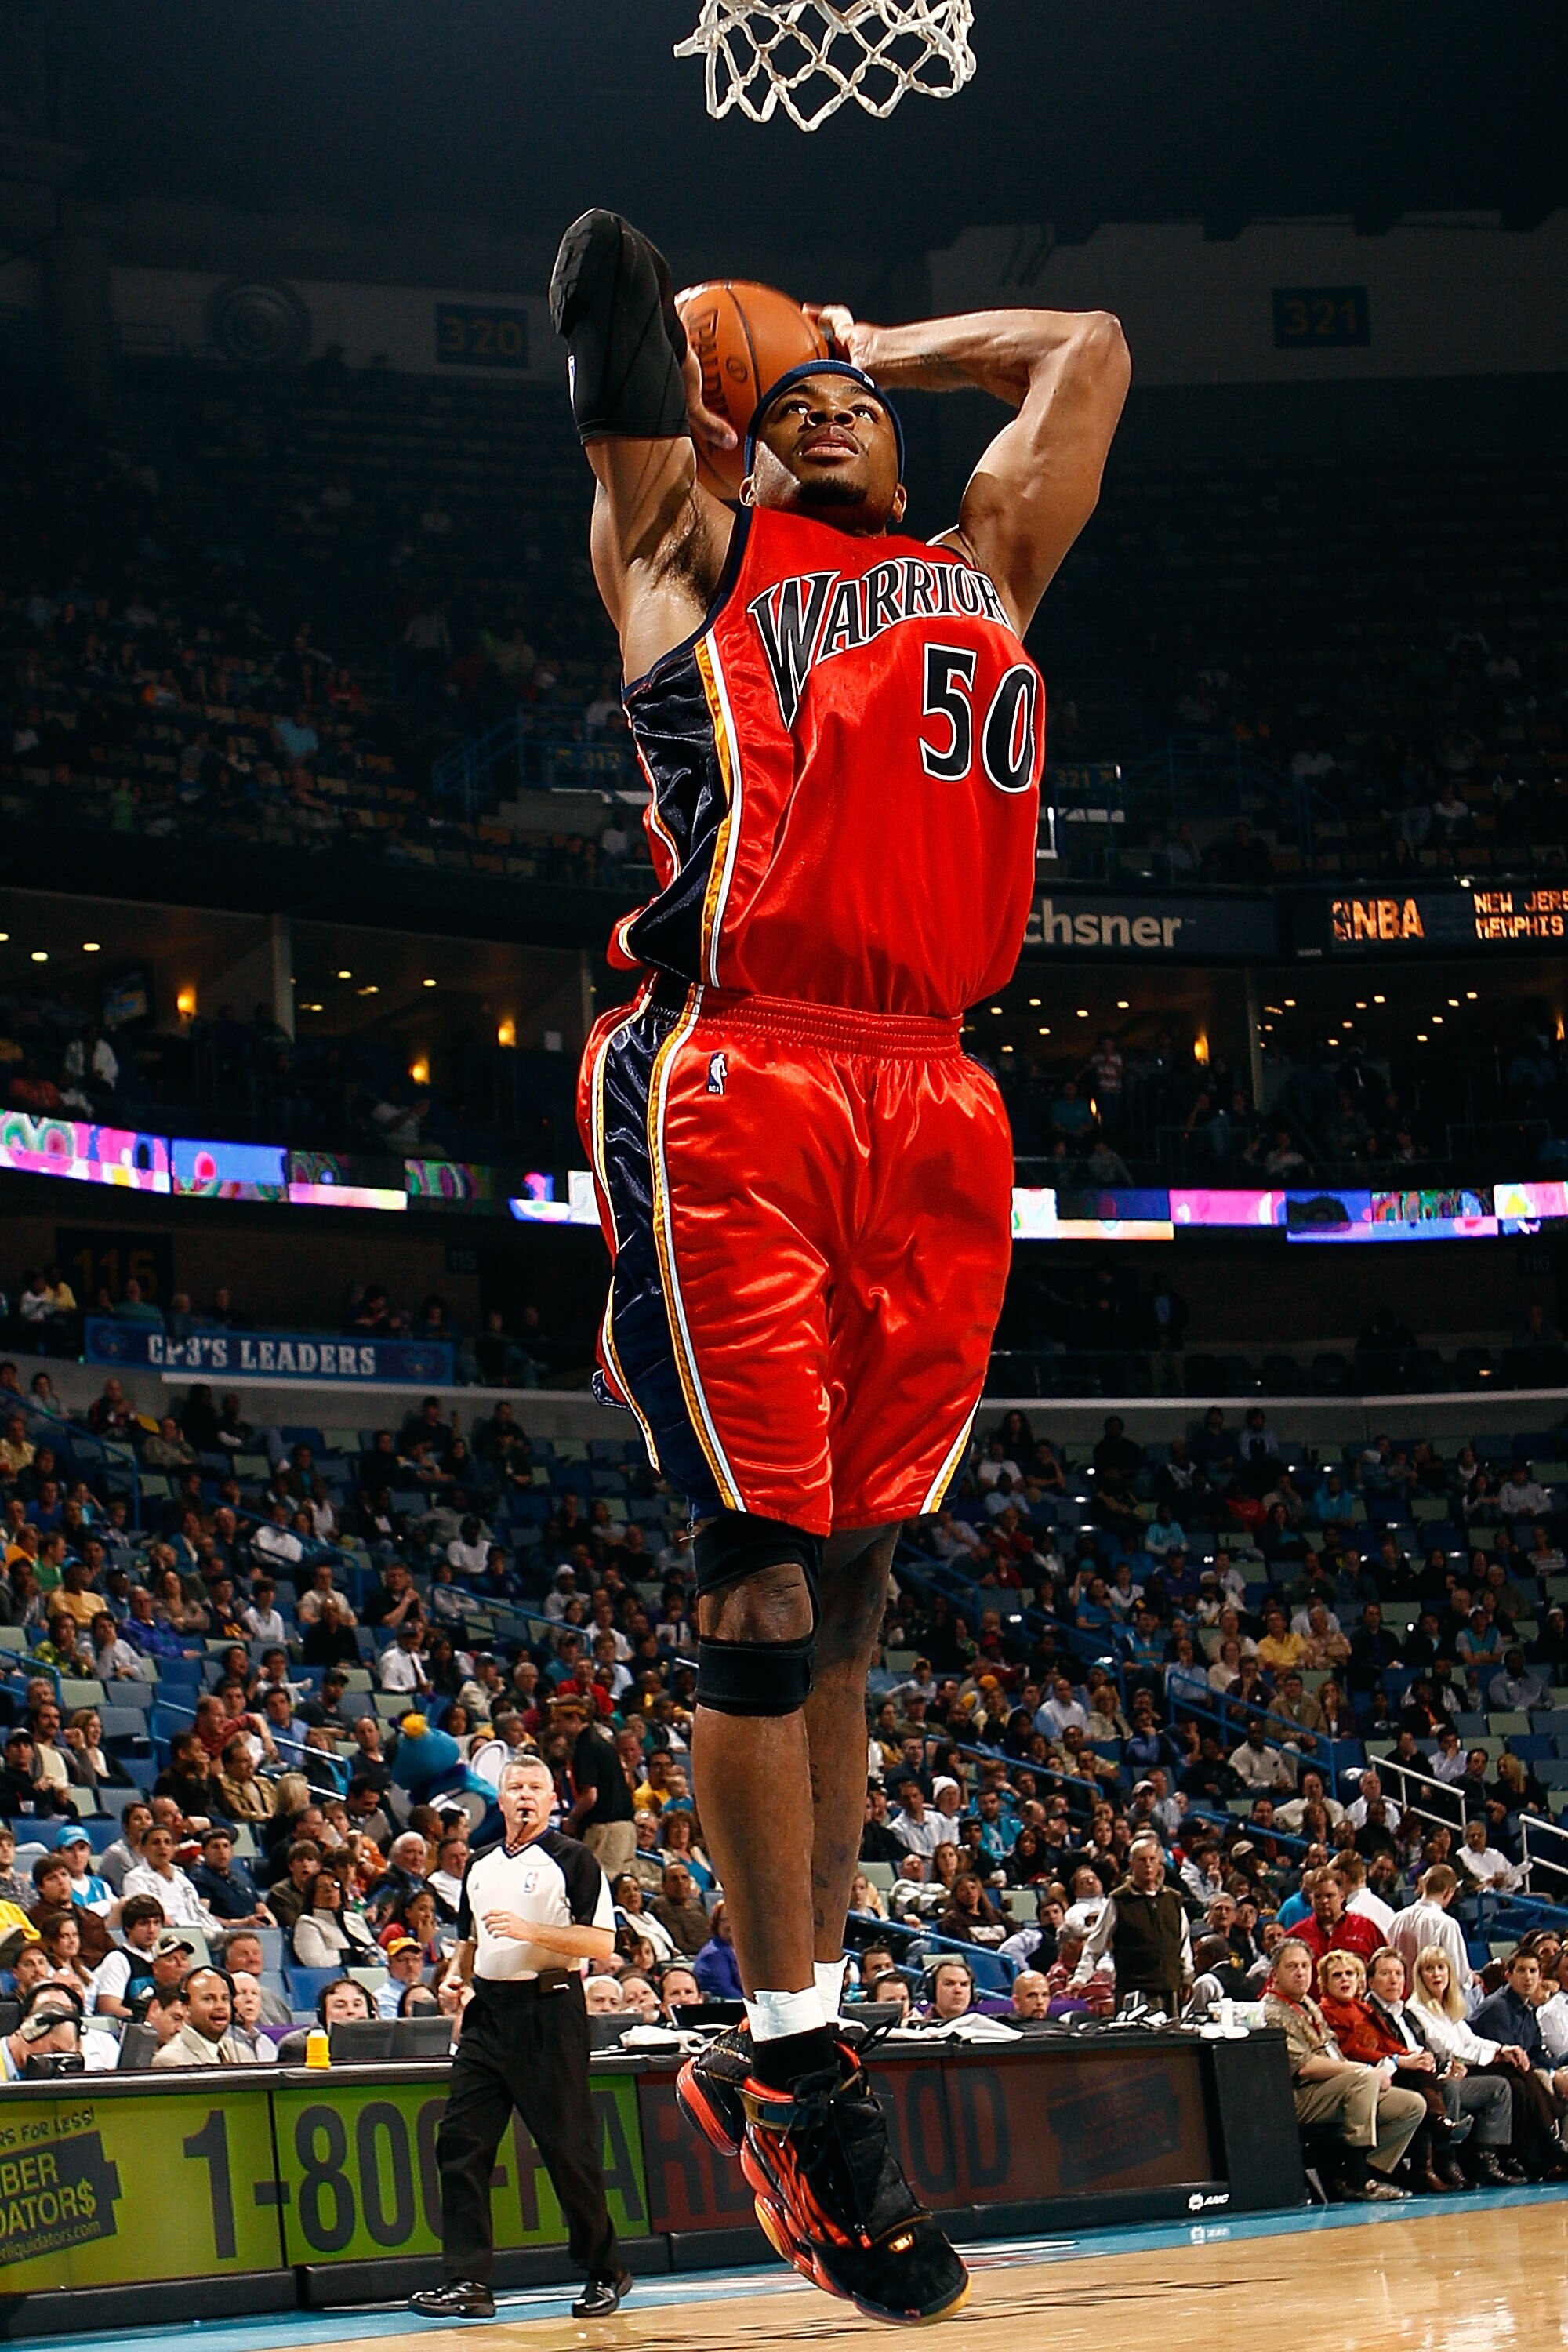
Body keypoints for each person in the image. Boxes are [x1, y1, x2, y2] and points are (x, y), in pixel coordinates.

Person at [552, 201, 1128, 2326]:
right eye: (776, 399)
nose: (822, 400)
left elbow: (1088, 345)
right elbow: (616, 370)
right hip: (743, 1071)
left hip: (942, 1098)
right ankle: (794, 2069)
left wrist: (874, 329)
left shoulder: (982, 571)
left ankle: (801, 2025)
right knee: (763, 1571)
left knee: (865, 1584)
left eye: (850, 393)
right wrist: (657, 339)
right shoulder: (692, 563)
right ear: (733, 445)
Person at [409, 1755, 629, 2323]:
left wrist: (533, 1931)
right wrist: (458, 1977)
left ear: (553, 1798)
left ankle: (605, 2271)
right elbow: (471, 1938)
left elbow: (601, 1945)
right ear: (499, 1799)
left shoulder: (573, 1859)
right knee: (460, 2143)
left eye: (536, 1787)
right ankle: (467, 2282)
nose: (525, 1795)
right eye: (515, 1787)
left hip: (549, 2010)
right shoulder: (479, 1865)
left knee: (567, 2150)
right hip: (488, 2014)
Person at [1261, 1937, 1424, 2200]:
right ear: (1274, 1974)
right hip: (1299, 2096)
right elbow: (1305, 2067)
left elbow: (1332, 2051)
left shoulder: (1307, 2004)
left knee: (1411, 2105)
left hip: (1330, 2090)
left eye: (1305, 1965)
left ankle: (1365, 2171)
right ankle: (1358, 2180)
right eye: (1292, 1967)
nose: (1301, 1972)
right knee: (1363, 2079)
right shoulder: (1273, 2012)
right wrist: (1364, 2070)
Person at [1069, 1831, 1193, 2016]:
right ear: (1132, 1864)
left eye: (1152, 1859)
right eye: (1142, 1860)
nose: (1148, 1865)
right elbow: (1095, 1946)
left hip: (1170, 1989)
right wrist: (1080, 1978)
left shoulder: (1173, 1900)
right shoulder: (1119, 1901)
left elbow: (1183, 1945)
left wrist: (1187, 1978)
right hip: (1134, 1992)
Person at [151, 1965, 259, 2069]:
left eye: (225, 1999)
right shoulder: (170, 2060)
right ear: (186, 2007)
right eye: (208, 1999)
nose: (220, 2006)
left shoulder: (243, 2053)